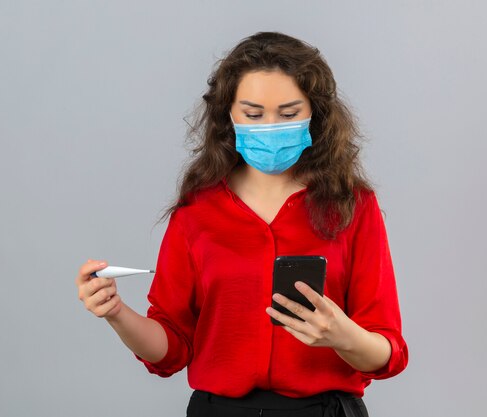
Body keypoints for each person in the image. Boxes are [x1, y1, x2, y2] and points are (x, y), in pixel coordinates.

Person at [75, 31, 408, 417]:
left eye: (288, 113)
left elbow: (389, 352)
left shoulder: (353, 206)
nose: (270, 126)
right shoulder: (195, 211)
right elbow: (171, 348)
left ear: (315, 113)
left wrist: (341, 335)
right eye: (253, 114)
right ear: (228, 115)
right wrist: (116, 312)